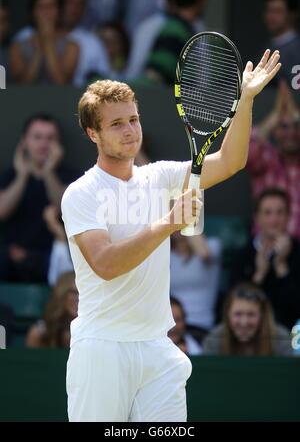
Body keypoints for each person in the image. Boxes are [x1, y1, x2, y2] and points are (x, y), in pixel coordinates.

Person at [61, 50, 281, 422]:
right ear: (92, 133)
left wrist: (245, 101)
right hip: (101, 349)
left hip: (157, 348)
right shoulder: (80, 194)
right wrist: (167, 223)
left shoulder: (159, 176)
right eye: (116, 124)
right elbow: (106, 264)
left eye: (133, 119)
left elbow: (231, 161)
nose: (130, 130)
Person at [0, 113, 79, 283]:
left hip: (52, 259)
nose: (43, 144)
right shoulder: (9, 176)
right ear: (24, 142)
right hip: (10, 259)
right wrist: (22, 176)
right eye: (37, 137)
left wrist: (49, 172)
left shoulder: (71, 177)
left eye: (50, 138)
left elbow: (64, 208)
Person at [231, 188, 300, 330]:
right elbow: (233, 306)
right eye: (267, 213)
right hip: (250, 333)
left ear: (288, 216)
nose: (274, 220)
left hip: (292, 332)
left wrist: (282, 267)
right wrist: (259, 274)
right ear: (257, 217)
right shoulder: (243, 254)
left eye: (280, 213)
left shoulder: (298, 251)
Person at [247, 79, 300, 239]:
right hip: (264, 248)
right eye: (283, 126)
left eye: (296, 126)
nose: (290, 132)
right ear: (275, 131)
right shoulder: (267, 159)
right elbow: (245, 150)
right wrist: (277, 114)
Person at [202, 283, 293, 356]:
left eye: (251, 315)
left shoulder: (281, 339)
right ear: (228, 315)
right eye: (238, 314)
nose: (244, 322)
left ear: (263, 316)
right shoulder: (214, 340)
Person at [9, 0, 79, 84]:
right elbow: (24, 84)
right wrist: (39, 48)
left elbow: (61, 83)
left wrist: (48, 43)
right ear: (33, 12)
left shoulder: (72, 47)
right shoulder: (17, 47)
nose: (46, 12)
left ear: (59, 11)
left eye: (51, 7)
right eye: (41, 7)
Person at [26, 271, 78, 348]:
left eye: (82, 293)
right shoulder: (40, 333)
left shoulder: (93, 331)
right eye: (73, 292)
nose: (78, 298)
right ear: (61, 294)